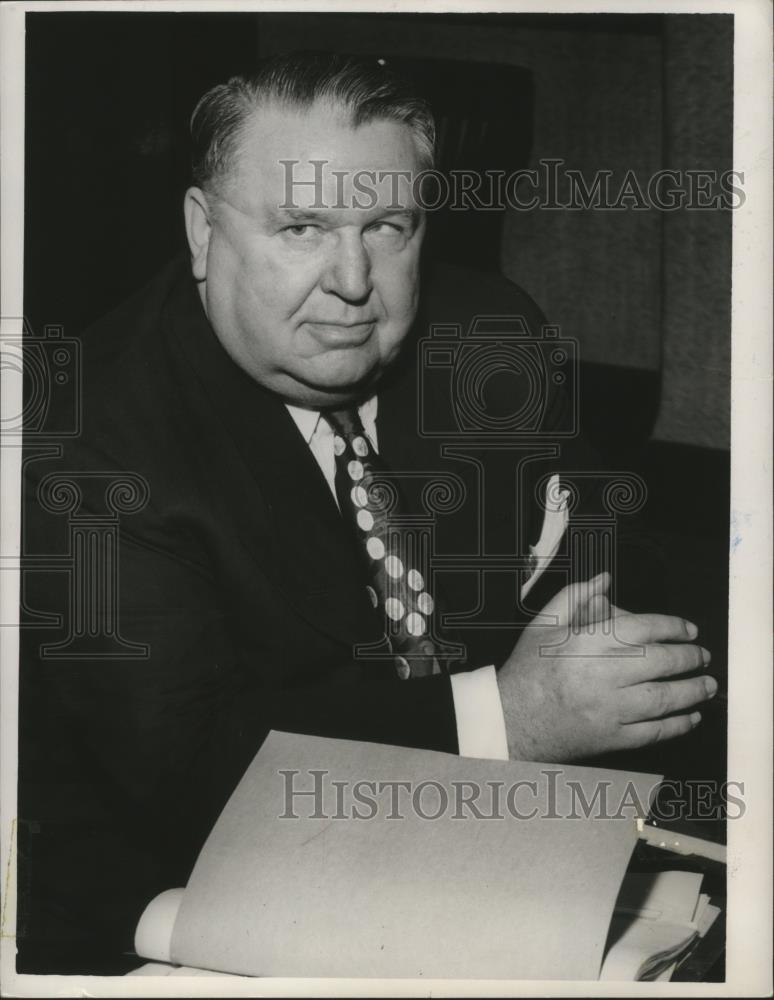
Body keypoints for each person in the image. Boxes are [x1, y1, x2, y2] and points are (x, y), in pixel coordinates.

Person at [17, 52, 715, 973]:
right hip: (187, 898)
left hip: (514, 847)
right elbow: (188, 769)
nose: (353, 281)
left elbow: (602, 555)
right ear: (200, 230)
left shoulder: (485, 330)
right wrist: (511, 713)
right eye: (301, 226)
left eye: (387, 224)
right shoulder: (87, 440)